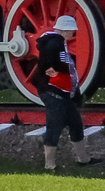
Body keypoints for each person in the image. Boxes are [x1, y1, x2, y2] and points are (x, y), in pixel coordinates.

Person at [36, 13, 88, 171]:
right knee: (54, 126)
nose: (73, 34)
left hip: (61, 93)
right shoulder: (55, 44)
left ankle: (83, 159)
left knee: (75, 124)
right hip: (55, 93)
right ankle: (49, 164)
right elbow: (57, 70)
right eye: (72, 31)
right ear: (65, 31)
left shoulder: (56, 43)